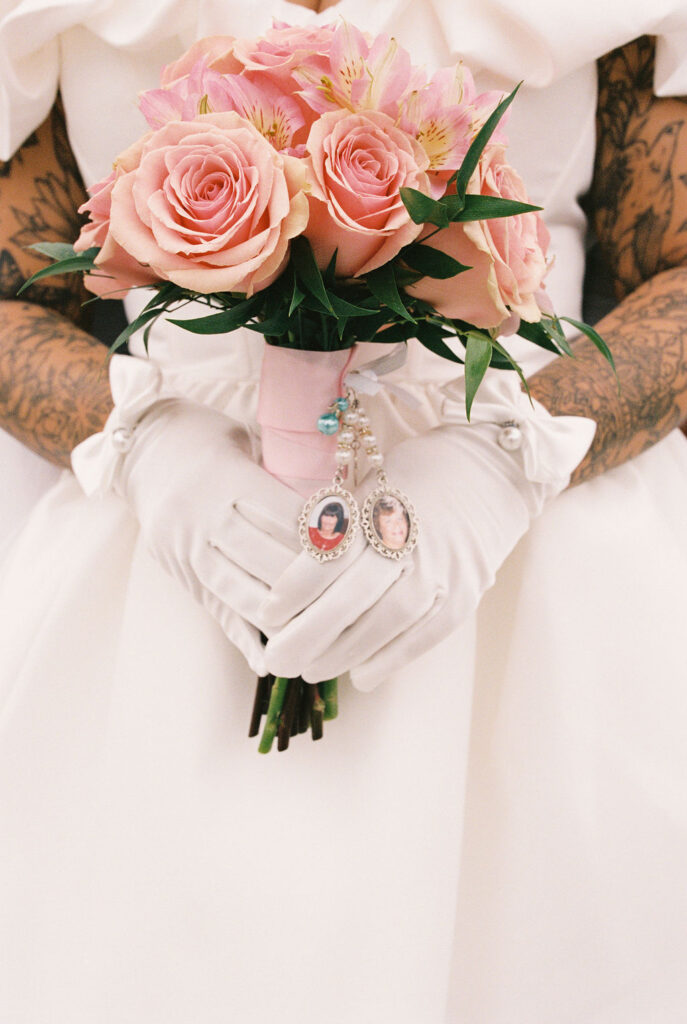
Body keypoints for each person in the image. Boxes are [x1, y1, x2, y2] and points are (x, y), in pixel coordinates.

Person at [0, 1, 686, 1021]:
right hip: (165, 583)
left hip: (538, 585)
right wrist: (145, 439)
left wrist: (510, 454)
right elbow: (17, 290)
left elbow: (674, 268)